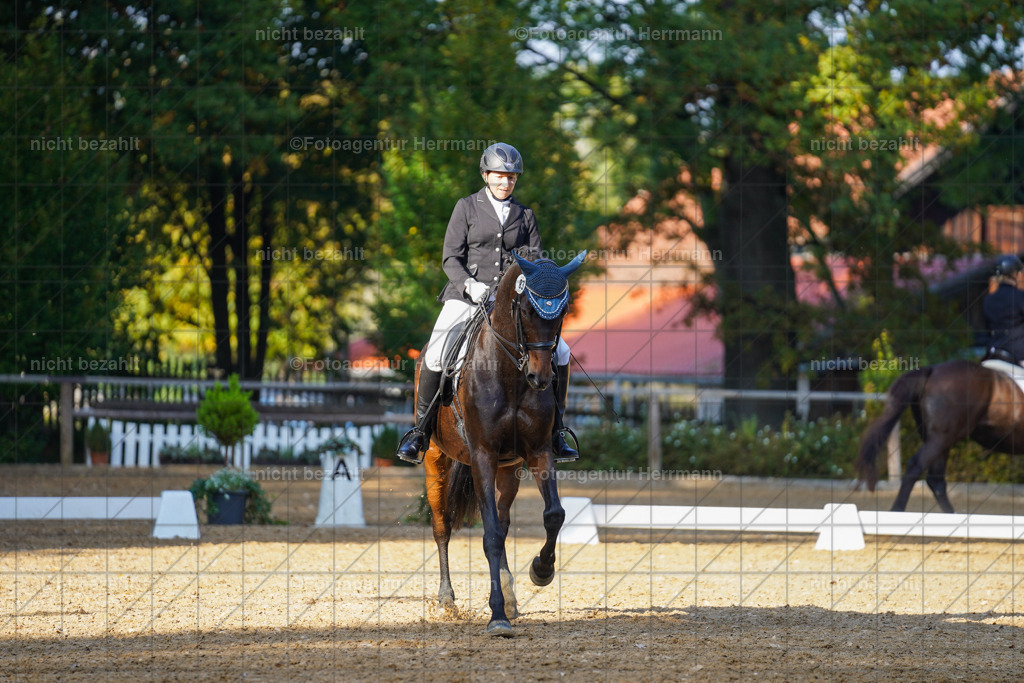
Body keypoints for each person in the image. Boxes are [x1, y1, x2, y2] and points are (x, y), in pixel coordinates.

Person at [395, 142, 578, 464]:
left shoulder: (525, 215)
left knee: (561, 351)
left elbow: (535, 262)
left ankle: (557, 431)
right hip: (466, 296)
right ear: (485, 175)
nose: (506, 182)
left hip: (511, 304)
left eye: (511, 177)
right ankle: (420, 432)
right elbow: (450, 258)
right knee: (435, 353)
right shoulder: (466, 207)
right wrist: (470, 285)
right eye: (499, 176)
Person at [982, 254, 1024, 365]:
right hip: (1018, 355)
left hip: (992, 353)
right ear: (1015, 274)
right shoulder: (1020, 297)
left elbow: (988, 329)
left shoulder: (988, 299)